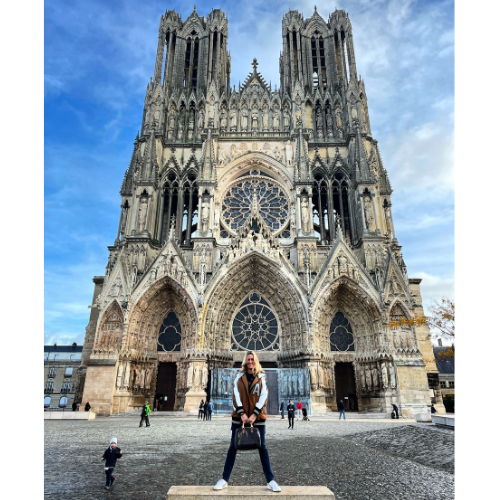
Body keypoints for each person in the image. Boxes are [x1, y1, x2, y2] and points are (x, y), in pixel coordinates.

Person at [213, 351, 281, 492]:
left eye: (252, 359)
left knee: (263, 447)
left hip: (258, 417)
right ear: (245, 362)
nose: (250, 362)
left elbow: (264, 396)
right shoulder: (238, 377)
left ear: (255, 361)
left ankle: (270, 480)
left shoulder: (262, 377)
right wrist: (242, 413)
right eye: (248, 359)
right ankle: (224, 479)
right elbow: (235, 396)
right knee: (233, 446)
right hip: (240, 418)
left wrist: (255, 414)